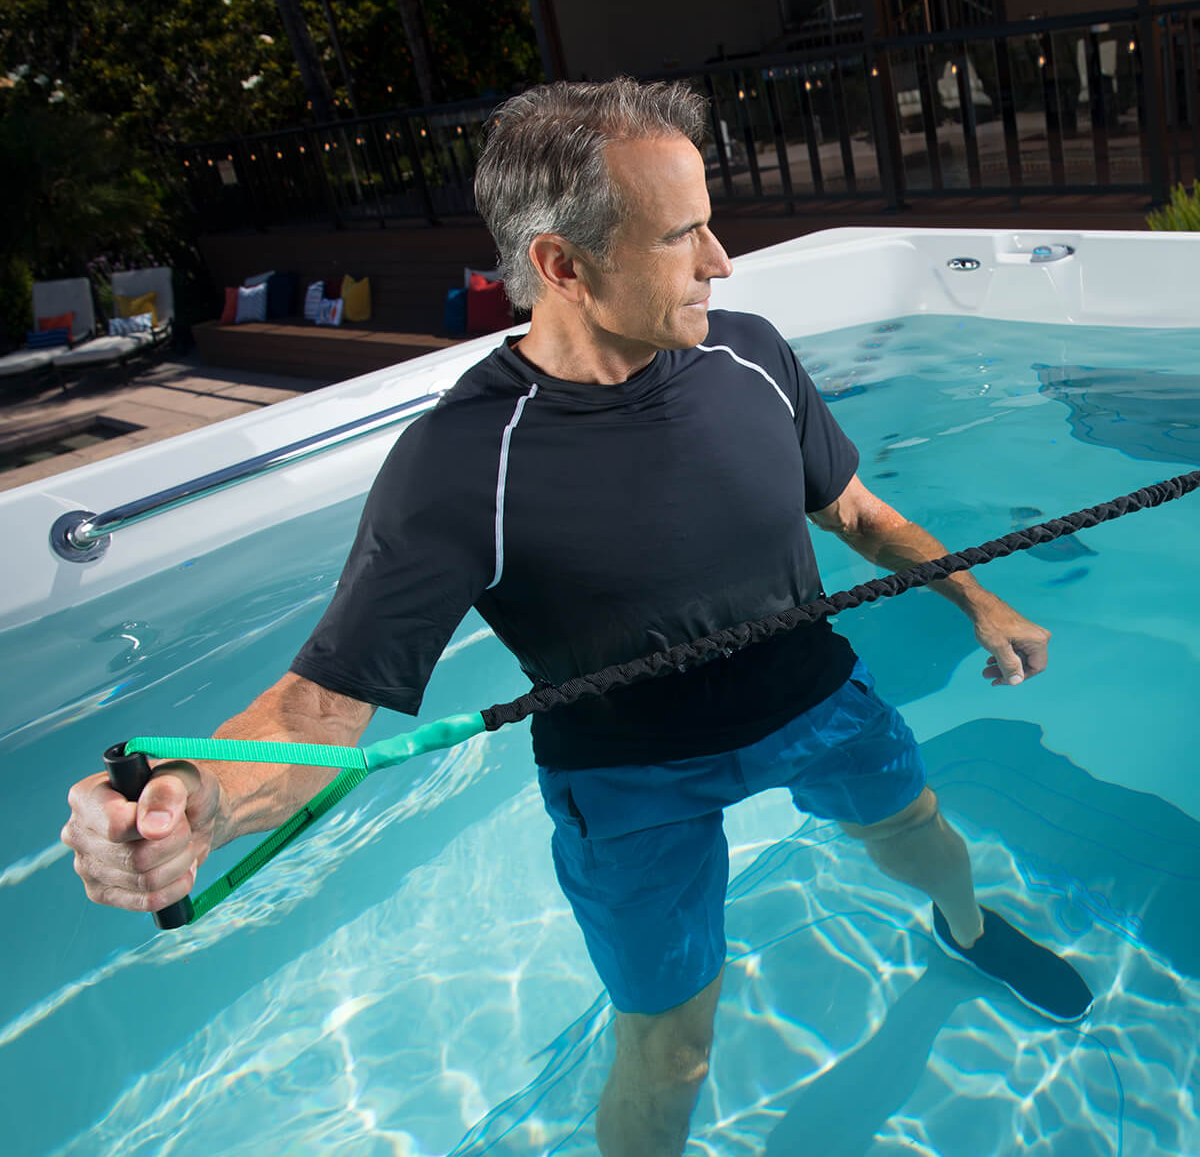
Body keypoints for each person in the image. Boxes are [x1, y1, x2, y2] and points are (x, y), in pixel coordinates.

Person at [63, 78, 1091, 1156]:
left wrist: (980, 599)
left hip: (812, 700)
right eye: (682, 234)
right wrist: (194, 803)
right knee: (672, 1049)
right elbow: (316, 715)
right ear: (562, 265)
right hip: (626, 784)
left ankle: (966, 931)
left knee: (922, 840)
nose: (720, 261)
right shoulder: (461, 466)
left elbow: (854, 511)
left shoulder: (750, 355)